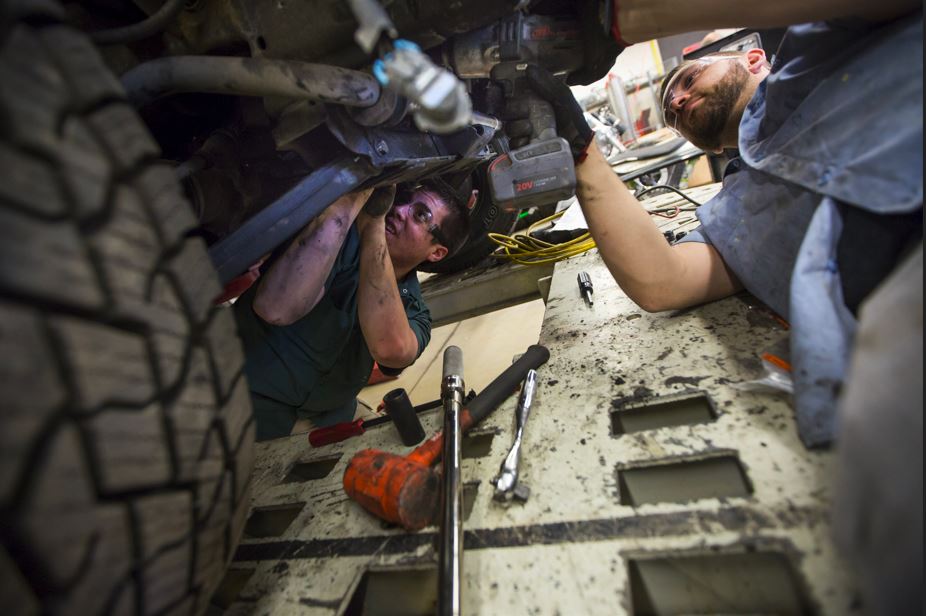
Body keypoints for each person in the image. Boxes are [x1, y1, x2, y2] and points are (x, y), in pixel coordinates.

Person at [522, 2, 921, 613]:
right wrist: (580, 148)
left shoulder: (820, 53)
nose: (676, 104)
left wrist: (615, 21)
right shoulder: (732, 208)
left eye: (684, 80)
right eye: (669, 109)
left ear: (753, 54)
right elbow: (663, 283)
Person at [233, 180, 469, 441]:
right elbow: (275, 307)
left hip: (328, 419)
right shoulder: (334, 240)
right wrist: (357, 197)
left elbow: (392, 350)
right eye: (401, 199)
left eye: (420, 214)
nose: (399, 210)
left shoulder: (415, 309)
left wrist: (375, 226)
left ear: (436, 252)